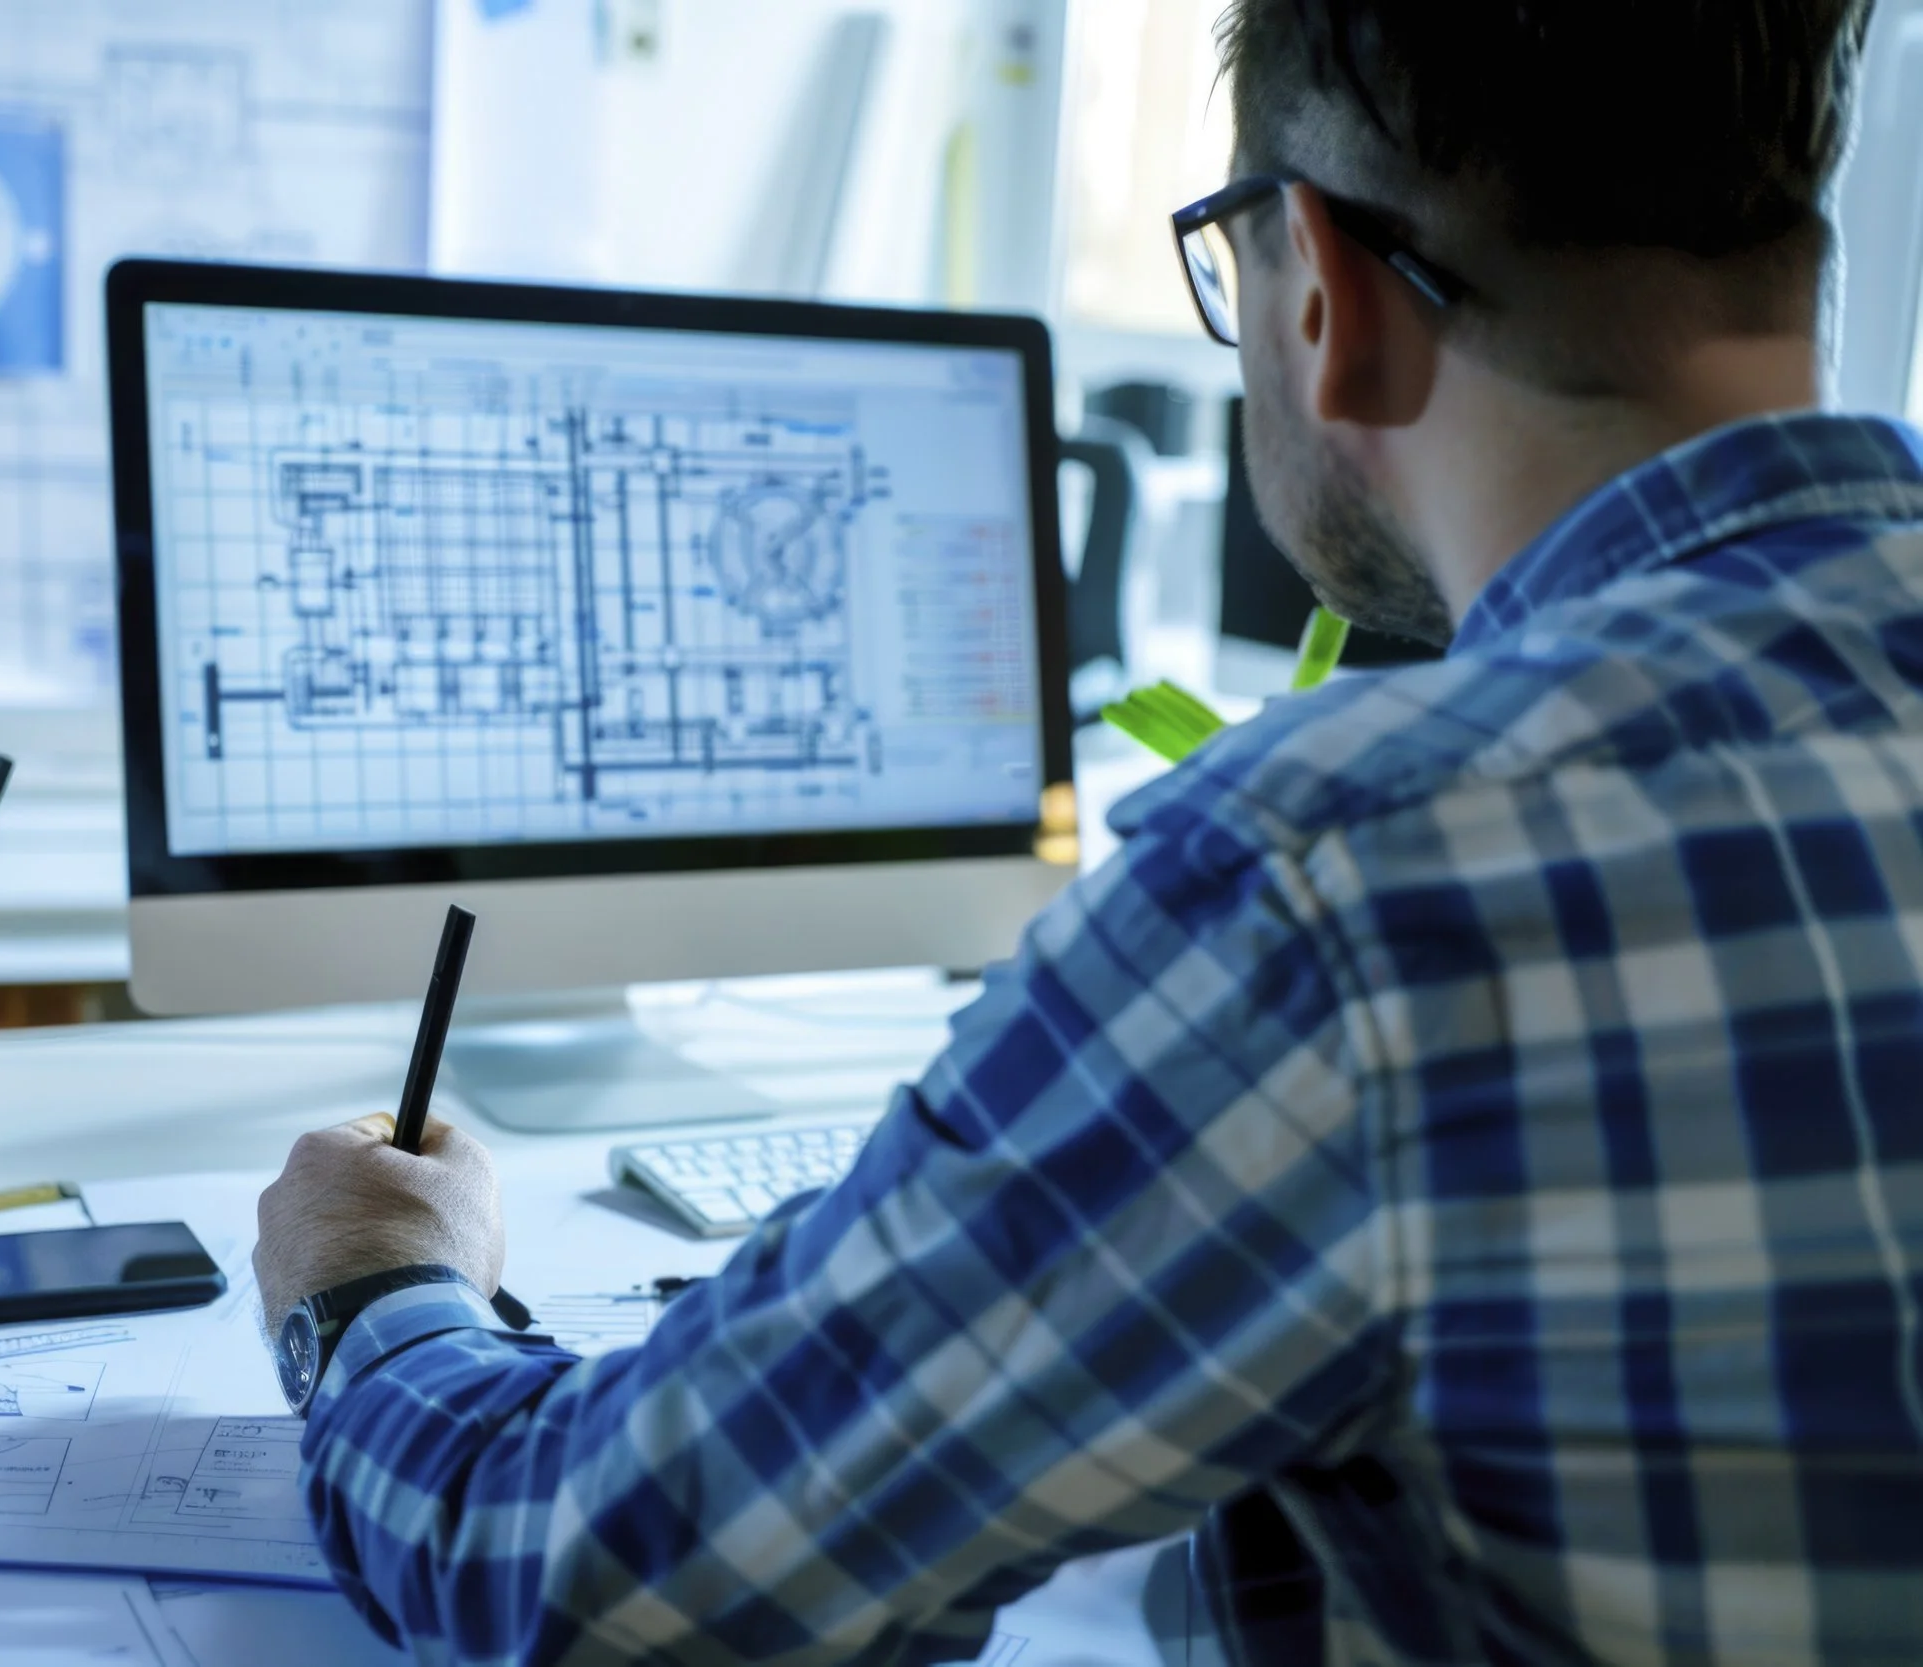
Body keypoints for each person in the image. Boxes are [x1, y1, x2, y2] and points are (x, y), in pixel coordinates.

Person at [256, 0, 1923, 1659]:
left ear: (1321, 290)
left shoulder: (1335, 880)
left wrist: (373, 1286)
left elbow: (583, 1577)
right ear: (1806, 253)